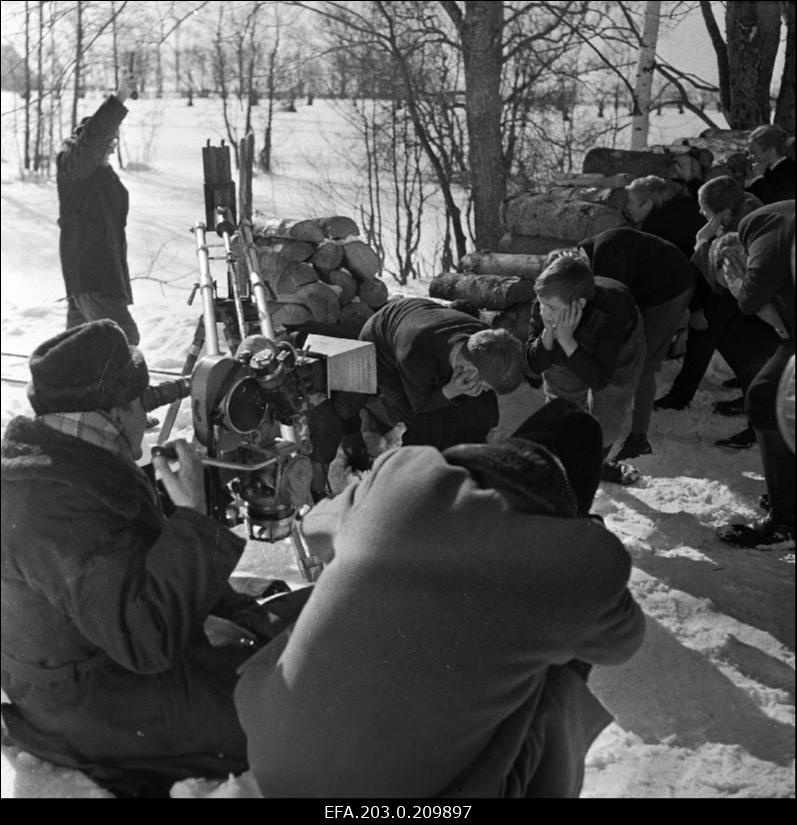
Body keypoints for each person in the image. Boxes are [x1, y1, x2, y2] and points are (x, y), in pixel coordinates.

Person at [234, 399, 645, 798]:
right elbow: (622, 641)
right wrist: (585, 540)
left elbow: (316, 529)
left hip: (273, 750)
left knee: (356, 583)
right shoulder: (580, 560)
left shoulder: (405, 471)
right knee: (562, 665)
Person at [0, 320, 265, 797]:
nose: (147, 416)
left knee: (277, 633)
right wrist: (193, 520)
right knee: (294, 708)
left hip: (93, 677)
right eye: (140, 403)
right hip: (91, 706)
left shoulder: (61, 461)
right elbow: (144, 640)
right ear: (116, 411)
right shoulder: (56, 504)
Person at [525, 252, 646, 485]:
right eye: (542, 304)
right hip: (566, 337)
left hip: (619, 343)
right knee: (564, 411)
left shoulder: (612, 309)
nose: (544, 312)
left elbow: (601, 379)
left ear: (578, 304)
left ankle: (593, 468)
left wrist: (568, 339)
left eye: (550, 307)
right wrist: (550, 333)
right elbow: (534, 363)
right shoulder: (546, 302)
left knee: (607, 416)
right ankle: (576, 469)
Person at [716, 200, 795, 547]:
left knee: (765, 400)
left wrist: (735, 279)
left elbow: (749, 298)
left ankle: (785, 523)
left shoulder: (764, 230)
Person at [579, 227, 696, 461]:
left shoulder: (609, 253)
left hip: (667, 294)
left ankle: (638, 439)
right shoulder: (599, 254)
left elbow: (613, 306)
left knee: (643, 363)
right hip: (652, 290)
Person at [358, 297, 524, 451]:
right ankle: (412, 470)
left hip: (422, 321)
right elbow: (421, 406)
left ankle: (464, 459)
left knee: (480, 411)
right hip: (380, 350)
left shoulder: (487, 340)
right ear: (471, 369)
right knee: (427, 426)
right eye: (487, 386)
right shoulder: (415, 354)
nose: (486, 389)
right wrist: (451, 390)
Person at [56, 72, 140, 346]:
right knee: (124, 342)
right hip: (93, 279)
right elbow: (91, 142)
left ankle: (69, 389)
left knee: (78, 352)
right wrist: (120, 98)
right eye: (109, 142)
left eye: (115, 143)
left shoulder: (101, 175)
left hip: (96, 279)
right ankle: (125, 390)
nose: (112, 149)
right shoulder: (74, 168)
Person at [624, 174, 706, 259]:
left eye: (631, 201)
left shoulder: (653, 230)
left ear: (648, 203)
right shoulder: (688, 204)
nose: (628, 206)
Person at [744, 125, 795, 205]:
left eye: (753, 153)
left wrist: (758, 179)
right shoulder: (769, 168)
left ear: (771, 152)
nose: (748, 158)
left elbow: (775, 204)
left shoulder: (788, 173)